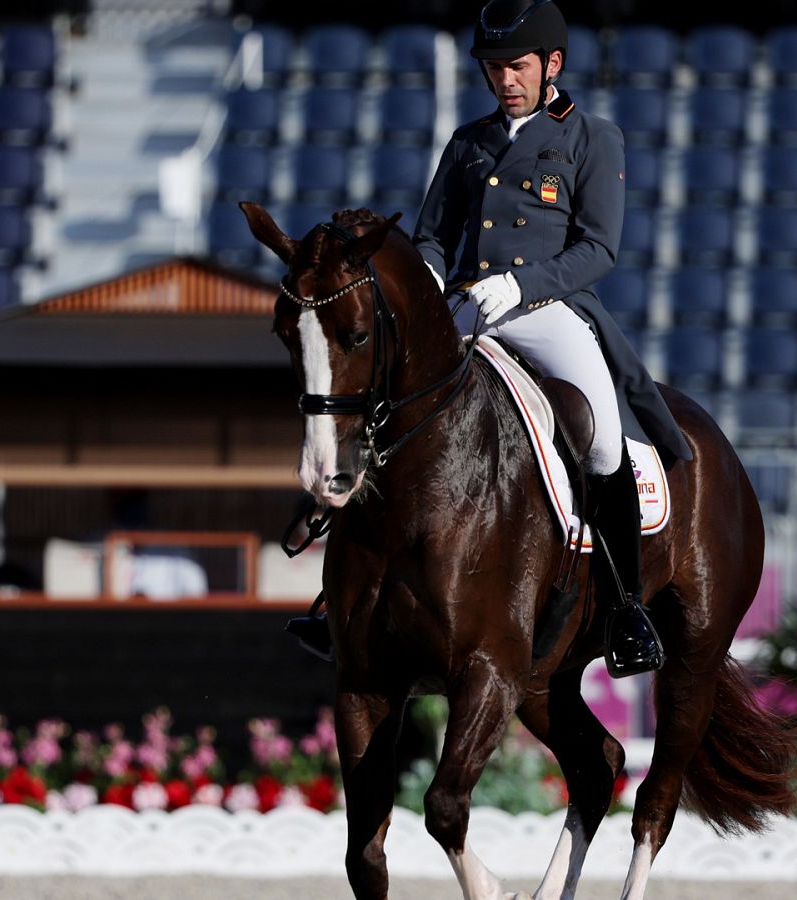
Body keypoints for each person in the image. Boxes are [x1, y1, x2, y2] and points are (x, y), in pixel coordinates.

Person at [285, 0, 692, 677]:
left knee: (601, 442)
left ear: (552, 64)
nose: (505, 80)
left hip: (549, 308)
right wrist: (430, 278)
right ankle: (340, 599)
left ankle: (626, 611)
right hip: (466, 306)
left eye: (517, 67)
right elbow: (432, 237)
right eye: (495, 68)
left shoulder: (591, 137)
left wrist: (522, 284)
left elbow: (598, 248)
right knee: (383, 410)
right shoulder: (467, 141)